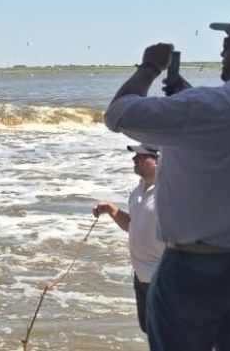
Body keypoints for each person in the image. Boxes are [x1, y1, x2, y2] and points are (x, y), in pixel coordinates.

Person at [104, 11, 230, 351]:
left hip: (196, 264)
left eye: (227, 44)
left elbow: (119, 114)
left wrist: (150, 67)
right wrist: (189, 97)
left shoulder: (210, 106)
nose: (221, 53)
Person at [93, 143, 164, 335]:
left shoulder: (169, 192)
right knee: (149, 329)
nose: (135, 159)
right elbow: (133, 226)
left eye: (141, 156)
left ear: (158, 161)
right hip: (141, 276)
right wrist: (112, 210)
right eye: (135, 156)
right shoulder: (138, 190)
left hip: (164, 277)